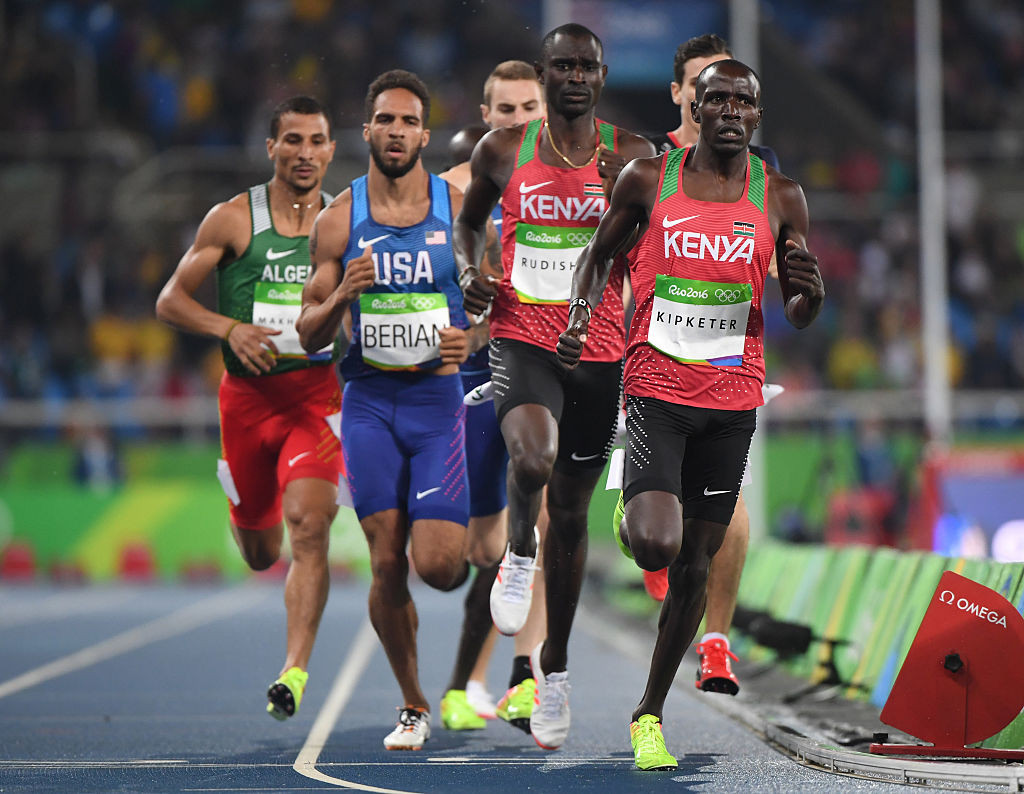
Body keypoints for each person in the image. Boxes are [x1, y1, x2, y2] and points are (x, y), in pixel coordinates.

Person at [556, 59, 824, 770]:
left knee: (696, 567)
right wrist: (581, 317)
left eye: (744, 102)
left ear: (757, 116)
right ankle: (635, 514)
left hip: (732, 401)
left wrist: (812, 296)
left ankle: (649, 712)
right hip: (656, 388)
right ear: (695, 109)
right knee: (656, 546)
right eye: (718, 99)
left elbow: (798, 308)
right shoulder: (649, 179)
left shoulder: (781, 195)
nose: (731, 111)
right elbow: (596, 257)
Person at [455, 24, 655, 750]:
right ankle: (518, 551)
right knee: (532, 459)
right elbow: (468, 225)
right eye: (562, 65)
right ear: (544, 76)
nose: (574, 75)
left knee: (570, 516)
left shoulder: (634, 157)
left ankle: (556, 672)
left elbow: (655, 250)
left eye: (585, 66)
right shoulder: (502, 151)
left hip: (598, 351)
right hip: (520, 337)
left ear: (600, 75)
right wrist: (471, 271)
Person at [297, 69, 484, 751]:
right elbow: (307, 333)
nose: (396, 131)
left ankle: (472, 554)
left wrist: (473, 340)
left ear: (425, 134)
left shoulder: (458, 209)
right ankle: (413, 703)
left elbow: (499, 301)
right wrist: (342, 294)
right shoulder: (338, 220)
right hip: (370, 406)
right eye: (385, 120)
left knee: (438, 565)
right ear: (368, 130)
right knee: (384, 562)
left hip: (438, 406)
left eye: (408, 121)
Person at [155, 96, 341, 721]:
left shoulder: (344, 222)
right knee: (261, 553)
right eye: (293, 140)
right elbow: (170, 301)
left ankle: (294, 671)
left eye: (316, 141)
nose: (305, 153)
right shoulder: (233, 219)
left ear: (331, 150)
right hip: (246, 406)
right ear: (271, 148)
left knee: (309, 527)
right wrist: (228, 328)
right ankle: (240, 496)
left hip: (315, 401)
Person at [642, 33, 782, 697]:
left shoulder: (762, 172)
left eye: (736, 94)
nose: (723, 104)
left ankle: (716, 642)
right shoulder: (649, 164)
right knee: (656, 525)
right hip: (651, 359)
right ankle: (642, 532)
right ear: (683, 95)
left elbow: (776, 256)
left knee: (727, 513)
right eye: (708, 87)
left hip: (727, 365)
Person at [437, 60, 551, 734]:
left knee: (541, 520)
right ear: (486, 116)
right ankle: (466, 679)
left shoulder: (572, 187)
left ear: (545, 110)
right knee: (474, 554)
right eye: (505, 109)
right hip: (465, 377)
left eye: (528, 108)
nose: (518, 120)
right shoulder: (452, 192)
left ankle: (524, 675)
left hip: (539, 367)